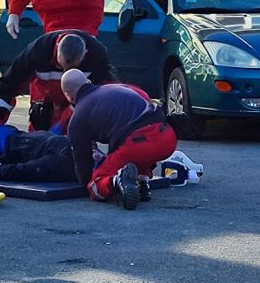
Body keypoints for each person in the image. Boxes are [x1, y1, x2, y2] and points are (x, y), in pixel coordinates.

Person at [61, 69, 178, 210]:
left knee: (95, 185)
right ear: (88, 82)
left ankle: (117, 181)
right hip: (167, 136)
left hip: (138, 144)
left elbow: (83, 163)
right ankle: (142, 181)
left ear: (68, 96)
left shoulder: (78, 118)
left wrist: (89, 178)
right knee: (133, 151)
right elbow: (144, 97)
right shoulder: (117, 87)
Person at [0, 30, 115, 136]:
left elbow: (103, 94)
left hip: (78, 105)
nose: (66, 72)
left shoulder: (97, 55)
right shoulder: (38, 51)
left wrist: (66, 120)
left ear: (85, 54)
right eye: (62, 66)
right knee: (39, 139)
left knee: (80, 135)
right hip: (46, 101)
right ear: (57, 50)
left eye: (72, 69)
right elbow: (8, 84)